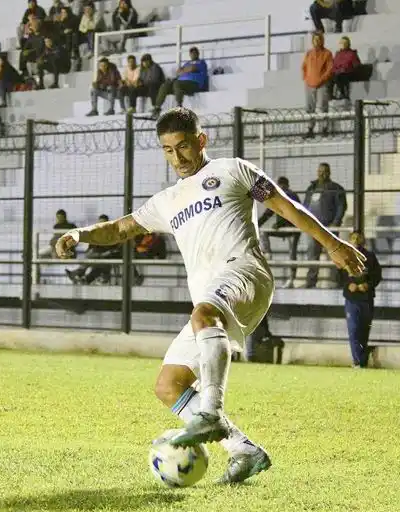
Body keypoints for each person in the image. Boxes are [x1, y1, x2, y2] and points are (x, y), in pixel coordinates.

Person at [55, 107, 366, 484]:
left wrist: (332, 243)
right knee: (168, 385)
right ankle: (242, 449)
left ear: (201, 141)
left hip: (245, 272)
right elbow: (120, 229)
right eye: (168, 150)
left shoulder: (232, 170)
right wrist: (80, 234)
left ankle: (212, 412)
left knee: (203, 314)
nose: (177, 157)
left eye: (183, 146)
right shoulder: (167, 201)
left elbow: (286, 205)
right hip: (211, 300)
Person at [342, 231, 381, 368]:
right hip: (352, 299)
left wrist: (368, 285)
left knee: (364, 331)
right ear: (349, 240)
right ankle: (357, 362)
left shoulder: (370, 257)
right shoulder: (345, 256)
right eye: (353, 238)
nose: (356, 240)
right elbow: (338, 276)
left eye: (358, 238)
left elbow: (377, 276)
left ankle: (362, 359)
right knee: (353, 330)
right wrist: (348, 285)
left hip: (366, 299)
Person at [258, 176, 301, 287]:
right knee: (263, 232)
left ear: (286, 186)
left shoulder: (291, 195)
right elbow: (269, 212)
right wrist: (257, 223)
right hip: (282, 227)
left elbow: (289, 210)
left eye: (282, 186)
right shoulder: (277, 195)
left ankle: (291, 279)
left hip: (293, 228)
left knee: (292, 253)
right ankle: (268, 252)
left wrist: (279, 224)